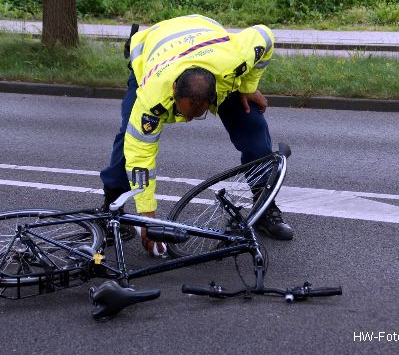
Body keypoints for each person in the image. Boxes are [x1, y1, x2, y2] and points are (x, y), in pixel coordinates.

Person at [100, 14, 293, 257]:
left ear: (214, 94)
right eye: (183, 112)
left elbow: (264, 35)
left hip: (208, 44)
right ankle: (111, 208)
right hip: (153, 52)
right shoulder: (152, 97)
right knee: (128, 139)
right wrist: (147, 216)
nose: (188, 120)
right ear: (173, 92)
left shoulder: (233, 64)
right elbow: (140, 158)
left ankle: (265, 208)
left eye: (197, 115)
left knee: (252, 126)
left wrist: (247, 87)